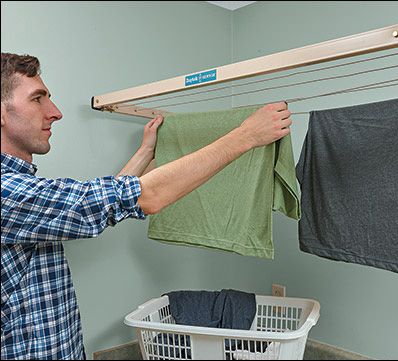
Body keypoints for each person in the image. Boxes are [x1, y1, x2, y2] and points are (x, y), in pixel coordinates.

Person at [0, 52, 292, 360]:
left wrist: (146, 152)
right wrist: (246, 136)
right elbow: (145, 197)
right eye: (37, 99)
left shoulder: (20, 194)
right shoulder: (7, 193)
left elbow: (102, 204)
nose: (55, 112)